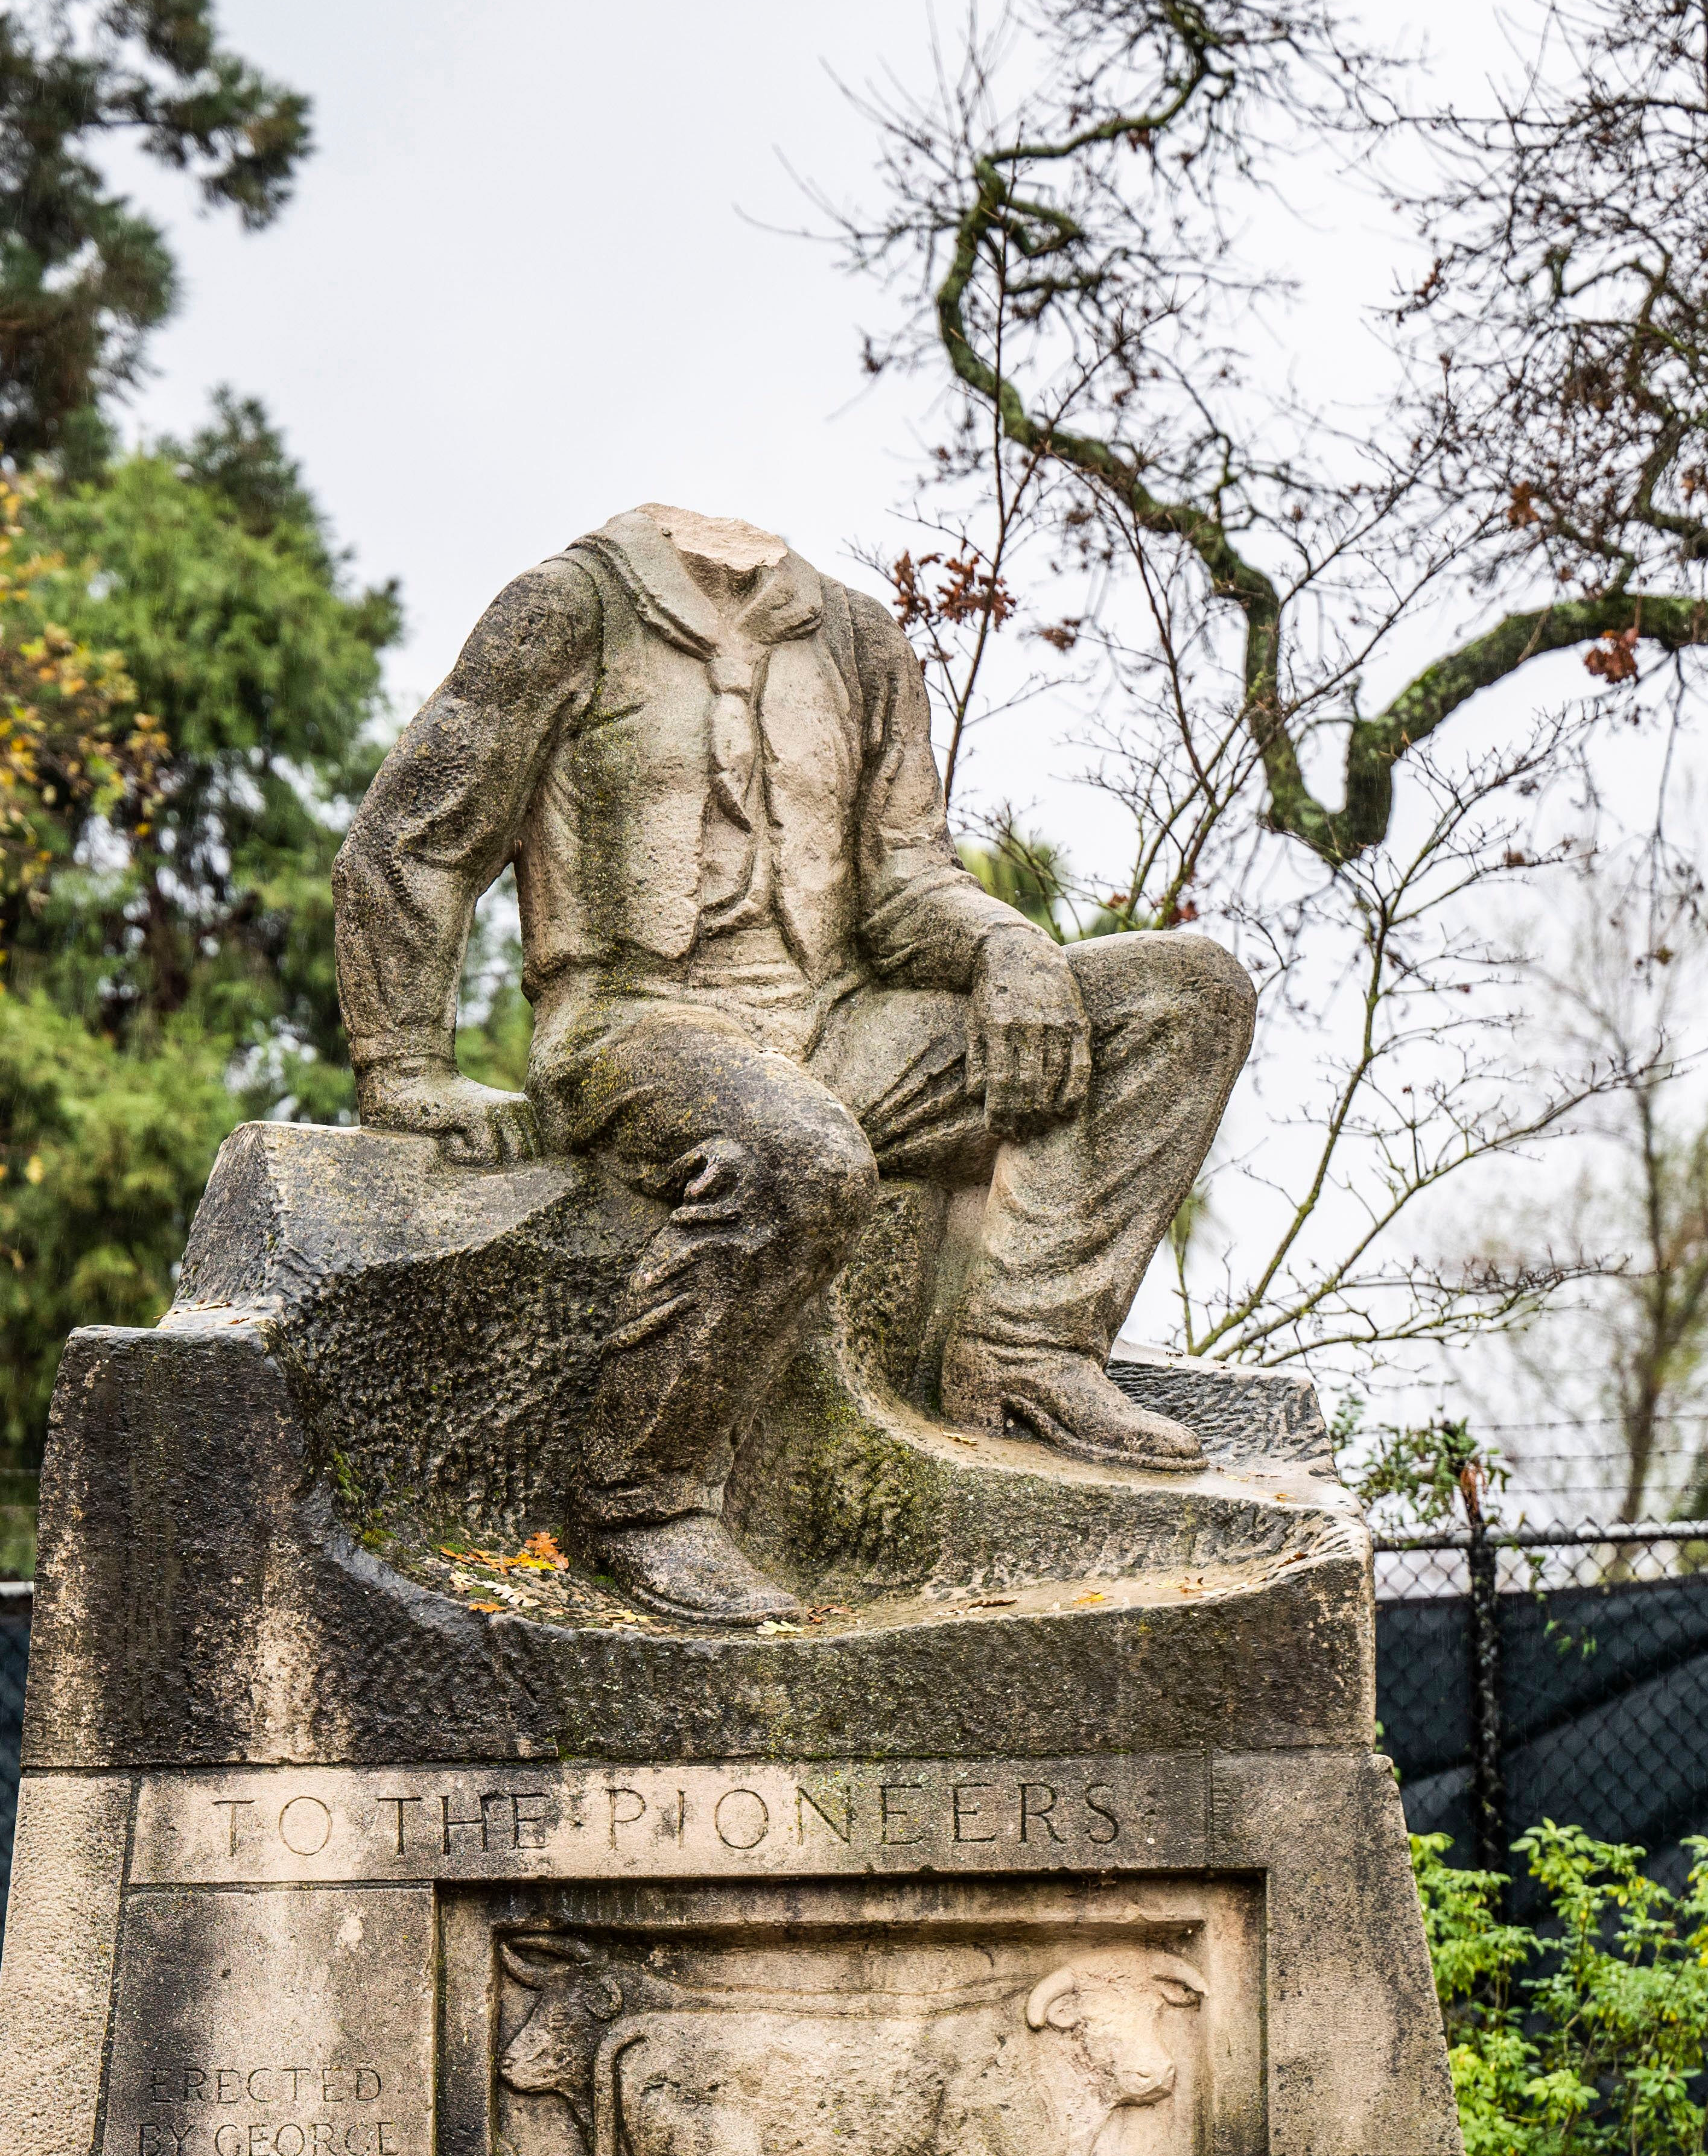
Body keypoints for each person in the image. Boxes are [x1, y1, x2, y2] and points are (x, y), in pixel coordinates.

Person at [334, 503, 1255, 1626]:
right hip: (639, 1024)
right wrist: (404, 1067)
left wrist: (1006, 946)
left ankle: (1026, 1350)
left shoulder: (859, 638)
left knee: (1186, 995)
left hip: (843, 1025)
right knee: (804, 1157)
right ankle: (642, 1498)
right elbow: (412, 839)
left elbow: (908, 883)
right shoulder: (569, 610)